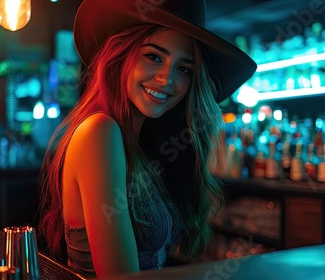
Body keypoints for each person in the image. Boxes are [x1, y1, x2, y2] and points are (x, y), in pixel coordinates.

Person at [38, 0, 257, 278]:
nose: (167, 79)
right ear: (121, 54)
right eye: (154, 57)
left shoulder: (142, 144)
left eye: (184, 69)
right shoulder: (99, 132)